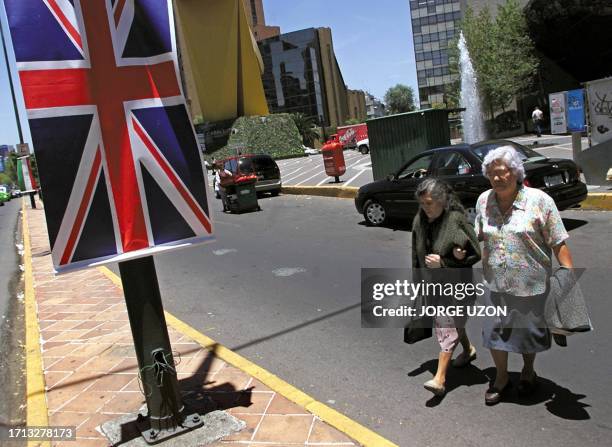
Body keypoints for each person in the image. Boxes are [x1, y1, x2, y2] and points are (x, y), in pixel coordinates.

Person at [475, 145, 574, 405]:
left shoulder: (540, 201)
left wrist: (568, 278)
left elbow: (559, 242)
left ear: (516, 172)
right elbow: (481, 237)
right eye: (492, 173)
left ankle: (528, 371)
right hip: (495, 282)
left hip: (531, 284)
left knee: (527, 334)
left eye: (503, 172)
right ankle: (501, 378)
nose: (497, 177)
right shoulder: (483, 201)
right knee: (493, 332)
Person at [411, 178, 482, 397]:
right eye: (422, 204)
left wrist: (446, 262)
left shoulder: (456, 220)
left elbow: (475, 252)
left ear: (442, 200)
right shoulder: (419, 221)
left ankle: (440, 378)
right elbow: (415, 255)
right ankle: (468, 350)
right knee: (453, 323)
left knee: (447, 327)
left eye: (430, 203)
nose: (426, 208)